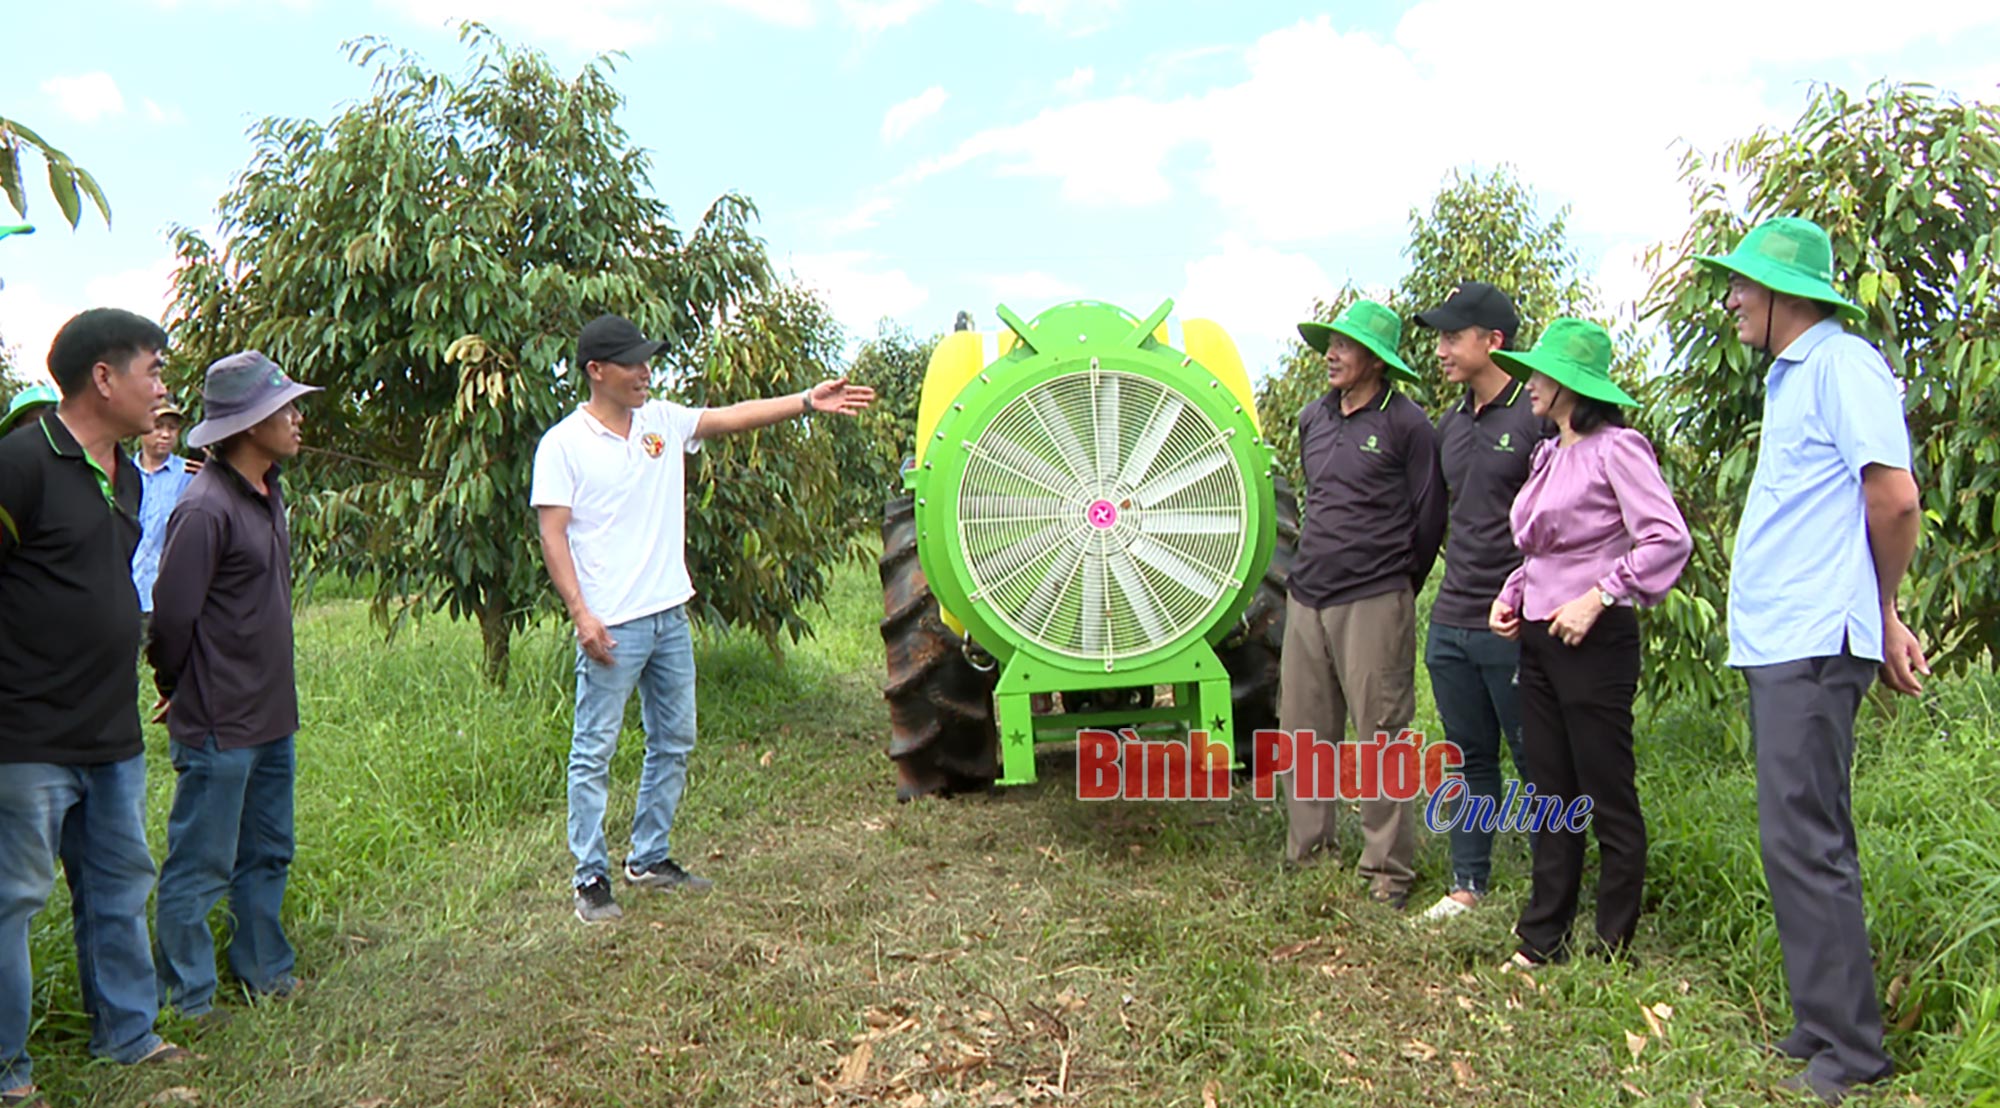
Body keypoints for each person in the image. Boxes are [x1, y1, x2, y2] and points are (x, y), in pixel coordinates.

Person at [531, 314, 874, 923]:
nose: (645, 373)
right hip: (613, 625)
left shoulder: (660, 421)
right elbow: (552, 534)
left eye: (647, 362)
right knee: (594, 752)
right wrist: (581, 615)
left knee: (674, 739)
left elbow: (729, 416)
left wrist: (804, 402)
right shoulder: (564, 445)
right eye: (633, 363)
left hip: (669, 616)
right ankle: (589, 877)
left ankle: (649, 856)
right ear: (595, 371)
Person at [1695, 216, 1923, 1105]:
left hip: (1814, 641)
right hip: (1787, 637)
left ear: (1787, 295)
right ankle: (1821, 1020)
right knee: (1795, 835)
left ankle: (1853, 1054)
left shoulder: (1840, 365)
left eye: (1744, 287)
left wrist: (1883, 607)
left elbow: (1895, 498)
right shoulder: (1794, 379)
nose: (1733, 300)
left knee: (1809, 837)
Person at [0, 309, 188, 1108]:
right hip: (27, 734)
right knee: (12, 902)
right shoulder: (21, 462)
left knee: (117, 884)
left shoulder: (132, 475)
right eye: (152, 369)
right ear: (103, 377)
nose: (162, 389)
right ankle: (8, 1070)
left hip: (111, 731)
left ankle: (128, 1033)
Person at [1488, 318, 1691, 968]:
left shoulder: (1618, 448)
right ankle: (1542, 939)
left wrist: (1601, 595)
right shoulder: (1548, 453)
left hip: (1594, 637)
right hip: (1541, 639)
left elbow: (1666, 537)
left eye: (1540, 376)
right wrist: (1513, 591)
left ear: (1573, 386)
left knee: (1606, 792)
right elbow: (1547, 546)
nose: (1529, 387)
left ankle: (1612, 946)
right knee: (1553, 793)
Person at [147, 352, 320, 1022]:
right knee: (201, 861)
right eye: (286, 410)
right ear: (249, 425)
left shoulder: (268, 491)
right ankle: (187, 996)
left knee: (269, 849)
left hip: (273, 711)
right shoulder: (205, 507)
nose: (299, 419)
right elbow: (171, 619)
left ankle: (263, 969)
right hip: (220, 718)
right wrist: (176, 685)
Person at [1281, 299, 1447, 910]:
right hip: (1307, 595)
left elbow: (1429, 517)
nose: (1331, 354)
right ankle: (1308, 852)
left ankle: (1387, 872)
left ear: (1375, 361)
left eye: (1344, 346)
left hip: (1375, 597)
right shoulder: (1311, 419)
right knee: (1302, 732)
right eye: (1329, 343)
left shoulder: (1409, 425)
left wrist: (1395, 585)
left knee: (1381, 734)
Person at [1410, 282, 1549, 922]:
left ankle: (1557, 891)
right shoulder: (1451, 424)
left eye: (1451, 336)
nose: (1440, 349)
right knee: (1469, 757)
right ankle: (1467, 884)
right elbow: (1438, 521)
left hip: (1514, 622)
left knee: (1536, 758)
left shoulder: (1537, 417)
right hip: (1453, 618)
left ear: (1493, 341)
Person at [132, 398, 200, 637]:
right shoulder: (123, 475)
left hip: (170, 594)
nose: (165, 435)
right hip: (126, 593)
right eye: (158, 426)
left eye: (172, 428)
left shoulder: (190, 476)